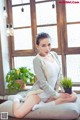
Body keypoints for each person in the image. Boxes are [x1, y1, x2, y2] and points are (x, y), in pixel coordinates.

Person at [9, 32, 77, 118]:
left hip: (51, 93)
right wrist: (57, 95)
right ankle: (16, 98)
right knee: (18, 114)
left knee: (73, 96)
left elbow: (60, 75)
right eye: (43, 45)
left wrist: (63, 90)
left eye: (49, 45)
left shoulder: (54, 55)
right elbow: (43, 82)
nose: (47, 48)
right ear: (37, 46)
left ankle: (42, 106)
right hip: (40, 93)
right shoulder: (37, 60)